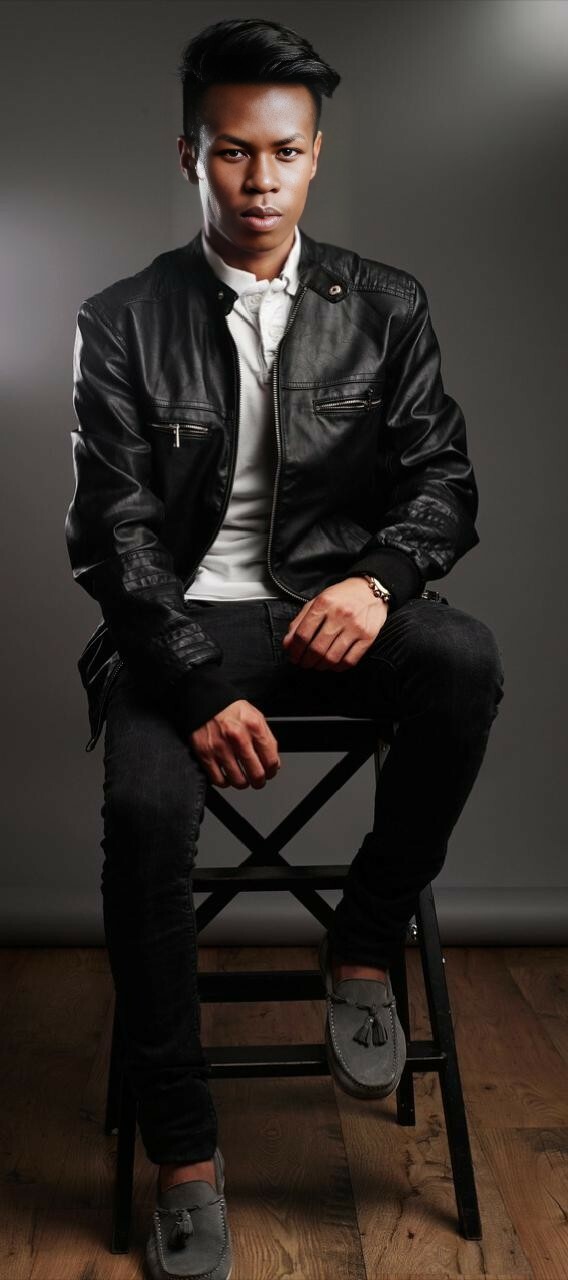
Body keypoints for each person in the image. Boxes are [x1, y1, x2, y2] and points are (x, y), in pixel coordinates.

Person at [65, 16, 505, 1279]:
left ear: (317, 156)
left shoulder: (385, 304)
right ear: (189, 154)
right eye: (231, 152)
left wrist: (378, 580)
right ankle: (184, 1152)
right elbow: (112, 534)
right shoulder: (121, 318)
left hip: (329, 610)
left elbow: (442, 483)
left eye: (286, 152)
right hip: (177, 627)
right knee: (147, 811)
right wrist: (194, 680)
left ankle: (362, 937)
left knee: (462, 659)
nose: (260, 181)